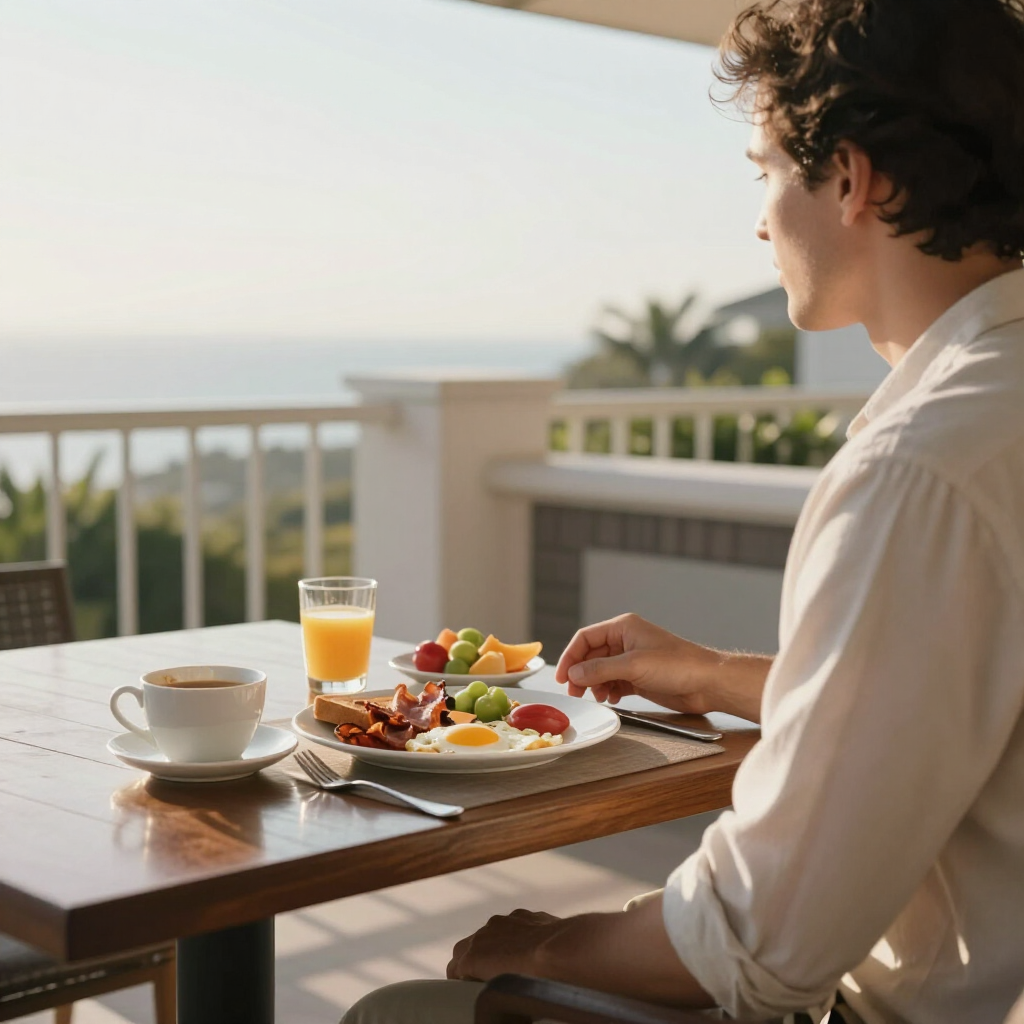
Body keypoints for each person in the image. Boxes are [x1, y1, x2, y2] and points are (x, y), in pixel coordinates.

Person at [343, 0, 1024, 1020]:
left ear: (851, 177)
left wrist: (548, 938)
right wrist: (719, 675)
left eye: (764, 172)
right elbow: (963, 695)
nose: (758, 219)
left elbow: (759, 941)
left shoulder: (921, 467)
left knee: (404, 1010)